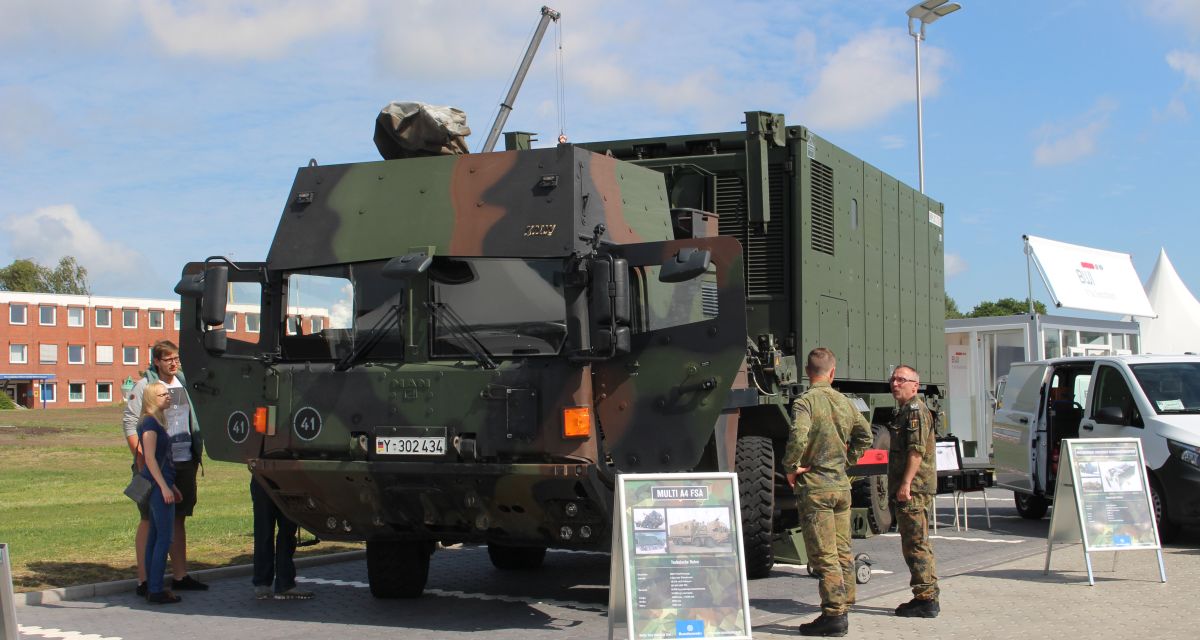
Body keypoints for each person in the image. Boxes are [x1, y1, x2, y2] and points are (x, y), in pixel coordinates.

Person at [783, 348, 873, 637]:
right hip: (841, 486)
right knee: (842, 548)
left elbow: (799, 435)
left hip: (817, 488)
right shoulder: (845, 402)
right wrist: (847, 461)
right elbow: (866, 435)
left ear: (807, 372)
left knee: (824, 554)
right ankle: (846, 600)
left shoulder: (805, 402)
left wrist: (791, 467)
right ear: (832, 372)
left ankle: (834, 615)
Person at [123, 340, 207, 596]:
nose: (174, 363)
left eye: (176, 358)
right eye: (168, 359)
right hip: (156, 465)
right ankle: (145, 580)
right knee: (149, 519)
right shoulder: (146, 386)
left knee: (178, 517)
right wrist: (141, 458)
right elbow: (130, 422)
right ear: (157, 361)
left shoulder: (183, 383)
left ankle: (180, 575)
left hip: (183, 460)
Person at [887, 364, 940, 618]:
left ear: (915, 386)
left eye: (901, 380)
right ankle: (927, 593)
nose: (895, 384)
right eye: (893, 379)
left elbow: (916, 452)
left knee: (915, 543)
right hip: (913, 488)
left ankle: (926, 599)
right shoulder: (905, 411)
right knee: (916, 541)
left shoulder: (915, 412)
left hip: (914, 489)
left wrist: (906, 483)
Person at [138, 381, 182, 604]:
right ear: (151, 399)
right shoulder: (149, 423)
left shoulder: (156, 421)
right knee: (164, 538)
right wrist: (164, 487)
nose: (168, 396)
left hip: (162, 484)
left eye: (168, 393)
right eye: (162, 394)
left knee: (155, 536)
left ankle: (152, 586)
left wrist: (171, 485)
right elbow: (149, 458)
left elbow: (160, 460)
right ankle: (155, 588)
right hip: (157, 488)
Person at [251, 474, 314, 600]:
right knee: (266, 532)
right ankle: (268, 583)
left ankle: (280, 584)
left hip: (287, 480)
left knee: (285, 533)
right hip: (268, 477)